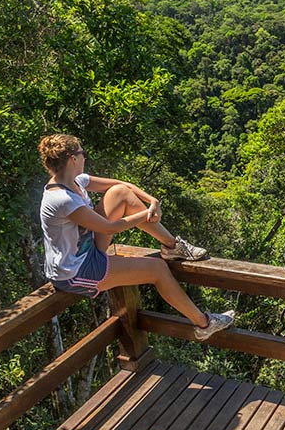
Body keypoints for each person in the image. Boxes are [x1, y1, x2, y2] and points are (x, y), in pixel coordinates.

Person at [37, 133, 234, 340]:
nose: (85, 157)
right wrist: (146, 214)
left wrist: (152, 201)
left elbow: (124, 186)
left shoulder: (76, 181)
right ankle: (204, 324)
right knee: (158, 270)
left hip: (85, 251)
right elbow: (108, 228)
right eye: (82, 153)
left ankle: (172, 245)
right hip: (75, 271)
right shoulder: (62, 199)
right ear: (72, 159)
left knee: (119, 192)